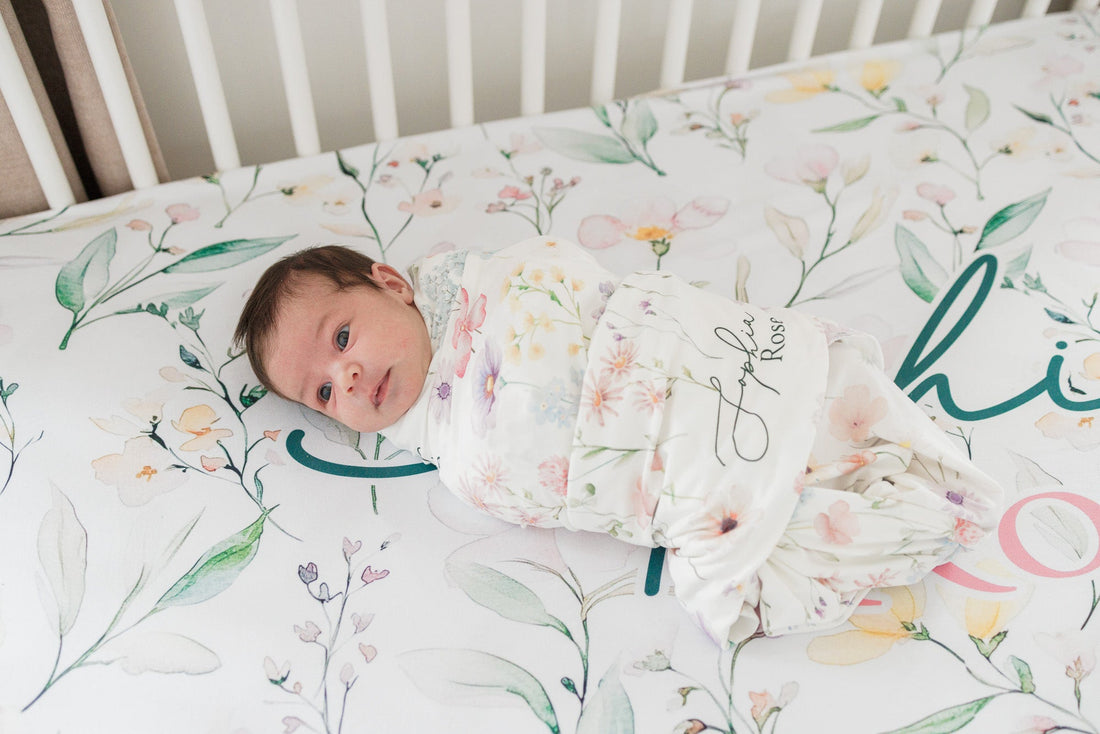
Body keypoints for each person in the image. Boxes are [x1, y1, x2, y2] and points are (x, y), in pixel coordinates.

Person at [235, 236, 1002, 646]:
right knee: (761, 565)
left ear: (392, 284)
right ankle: (896, 512)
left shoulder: (501, 281)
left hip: (711, 368)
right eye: (323, 392)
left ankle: (864, 436)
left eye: (342, 337)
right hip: (685, 479)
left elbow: (573, 283)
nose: (347, 375)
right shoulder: (454, 451)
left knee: (828, 401)